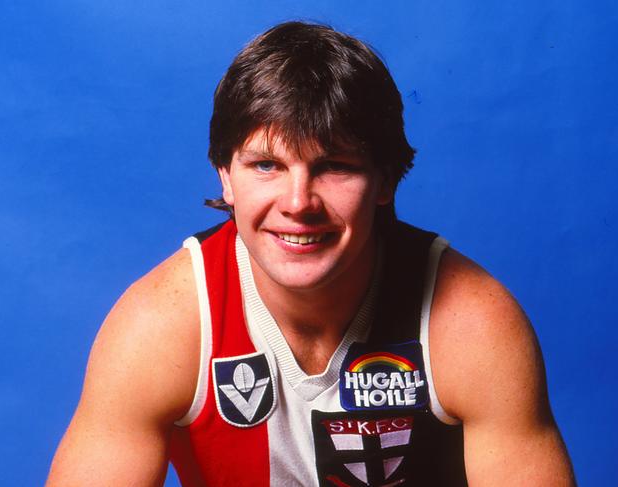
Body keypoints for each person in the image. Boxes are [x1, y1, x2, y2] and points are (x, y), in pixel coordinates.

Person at [46, 21, 575, 486]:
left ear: (386, 179)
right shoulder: (161, 326)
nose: (298, 203)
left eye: (335, 166)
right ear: (224, 176)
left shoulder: (472, 323)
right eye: (266, 165)